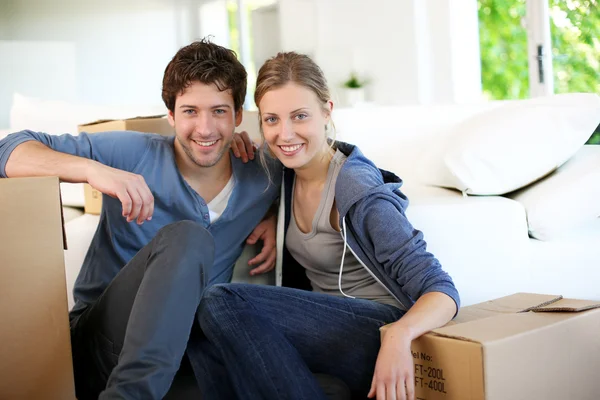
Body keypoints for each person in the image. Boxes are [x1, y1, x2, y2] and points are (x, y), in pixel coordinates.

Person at [0, 39, 279, 399]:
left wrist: (276, 216)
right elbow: (8, 150)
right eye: (191, 111)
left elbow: (319, 170)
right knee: (187, 238)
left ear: (238, 116)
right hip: (101, 344)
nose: (206, 129)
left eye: (219, 112)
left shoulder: (263, 176)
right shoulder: (132, 153)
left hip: (187, 353)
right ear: (171, 115)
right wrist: (91, 170)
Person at [194, 52, 461, 400]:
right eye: (272, 119)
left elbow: (443, 291)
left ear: (326, 112)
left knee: (220, 300)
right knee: (199, 328)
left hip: (379, 331)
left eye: (300, 116)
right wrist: (273, 218)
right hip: (326, 329)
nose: (284, 134)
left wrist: (398, 335)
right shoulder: (285, 171)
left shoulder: (359, 191)